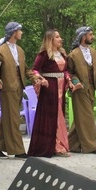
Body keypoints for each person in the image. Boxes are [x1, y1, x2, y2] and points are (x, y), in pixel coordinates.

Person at [0, 21, 38, 159]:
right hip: (7, 88)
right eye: (19, 30)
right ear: (13, 32)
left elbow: (26, 69)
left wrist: (34, 78)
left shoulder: (20, 50)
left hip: (18, 87)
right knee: (14, 118)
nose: (21, 33)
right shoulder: (0, 51)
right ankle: (18, 150)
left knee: (8, 117)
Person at [28, 29, 74, 157]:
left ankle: (59, 145)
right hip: (50, 86)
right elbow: (35, 70)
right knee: (52, 116)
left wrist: (69, 81)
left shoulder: (62, 54)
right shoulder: (44, 55)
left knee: (60, 114)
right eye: (57, 37)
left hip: (61, 86)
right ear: (50, 40)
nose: (61, 39)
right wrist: (41, 79)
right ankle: (51, 146)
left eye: (60, 37)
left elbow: (65, 71)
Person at [66, 26, 96, 155]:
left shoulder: (93, 52)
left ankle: (72, 144)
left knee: (81, 117)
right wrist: (76, 82)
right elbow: (69, 72)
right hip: (80, 89)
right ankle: (92, 146)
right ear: (83, 37)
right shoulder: (73, 54)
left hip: (91, 88)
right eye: (90, 34)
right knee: (87, 117)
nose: (92, 37)